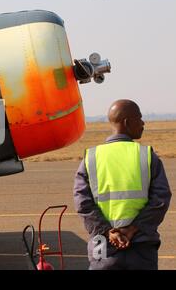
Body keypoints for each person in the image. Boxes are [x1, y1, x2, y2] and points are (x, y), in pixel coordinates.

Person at [74, 99, 172, 270]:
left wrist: (107, 231)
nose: (143, 123)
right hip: (140, 245)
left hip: (102, 244)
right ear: (127, 122)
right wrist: (133, 229)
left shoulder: (91, 158)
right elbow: (161, 199)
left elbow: (82, 203)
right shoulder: (147, 156)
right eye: (139, 118)